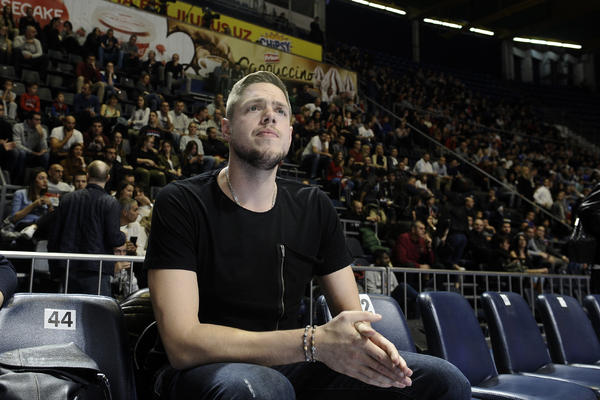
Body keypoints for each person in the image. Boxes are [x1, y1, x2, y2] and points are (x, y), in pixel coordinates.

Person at [144, 71, 470, 399]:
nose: (269, 115)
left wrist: (368, 347)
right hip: (201, 367)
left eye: (280, 110)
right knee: (261, 388)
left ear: (289, 134)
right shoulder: (181, 202)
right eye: (254, 107)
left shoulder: (314, 206)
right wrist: (312, 342)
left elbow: (352, 316)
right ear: (226, 128)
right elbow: (182, 344)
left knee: (442, 381)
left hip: (289, 361)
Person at [48, 160, 126, 295]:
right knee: (96, 308)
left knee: (70, 307)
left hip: (69, 266)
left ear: (88, 175)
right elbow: (114, 239)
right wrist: (123, 236)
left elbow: (54, 236)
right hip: (97, 268)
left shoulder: (67, 198)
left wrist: (54, 269)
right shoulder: (111, 203)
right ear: (108, 177)